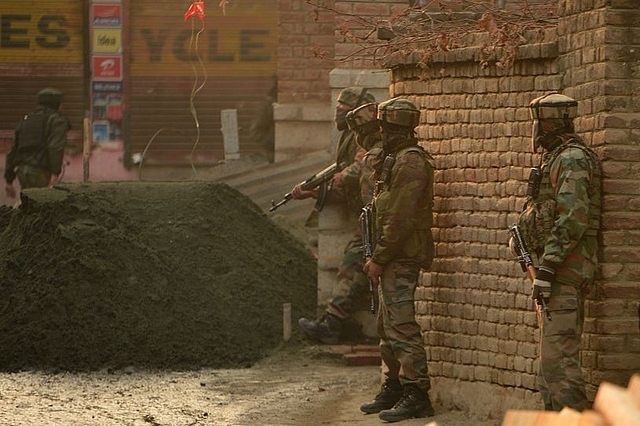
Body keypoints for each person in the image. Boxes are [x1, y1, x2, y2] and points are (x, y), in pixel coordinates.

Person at [516, 93, 602, 411]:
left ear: (553, 124)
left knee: (560, 367)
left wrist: (549, 266)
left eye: (540, 123)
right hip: (553, 270)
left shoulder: (573, 159)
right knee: (548, 371)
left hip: (566, 270)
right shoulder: (555, 158)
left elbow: (573, 217)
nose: (536, 130)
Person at [360, 97, 435, 422]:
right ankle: (394, 386)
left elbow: (400, 218)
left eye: (385, 127)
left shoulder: (411, 162)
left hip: (401, 256)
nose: (382, 133)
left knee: (402, 326)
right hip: (390, 255)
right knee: (386, 326)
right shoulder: (395, 160)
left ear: (394, 128)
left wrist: (379, 257)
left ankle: (417, 393)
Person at [294, 86, 376, 344]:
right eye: (338, 108)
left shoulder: (370, 136)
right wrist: (314, 193)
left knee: (353, 267)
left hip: (377, 217)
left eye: (344, 109)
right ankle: (335, 323)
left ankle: (333, 324)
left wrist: (330, 182)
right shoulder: (351, 137)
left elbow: (358, 169)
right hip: (367, 215)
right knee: (355, 267)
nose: (338, 113)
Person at [4, 88, 71, 199]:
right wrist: (55, 174)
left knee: (29, 205)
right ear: (57, 104)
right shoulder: (57, 120)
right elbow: (55, 147)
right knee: (43, 205)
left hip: (22, 171)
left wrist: (9, 180)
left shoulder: (27, 119)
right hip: (40, 171)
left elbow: (14, 150)